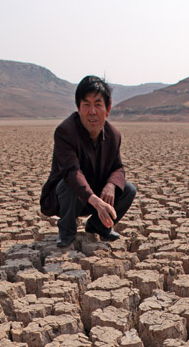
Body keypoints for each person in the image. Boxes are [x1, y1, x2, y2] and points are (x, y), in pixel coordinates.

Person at [40, 75, 136, 248]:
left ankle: (98, 227)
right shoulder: (65, 132)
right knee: (69, 183)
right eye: (86, 105)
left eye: (98, 105)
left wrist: (111, 185)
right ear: (78, 108)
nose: (92, 111)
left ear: (107, 109)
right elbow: (72, 172)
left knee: (127, 189)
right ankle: (67, 231)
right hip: (68, 199)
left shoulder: (113, 135)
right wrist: (95, 200)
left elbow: (118, 167)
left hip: (93, 197)